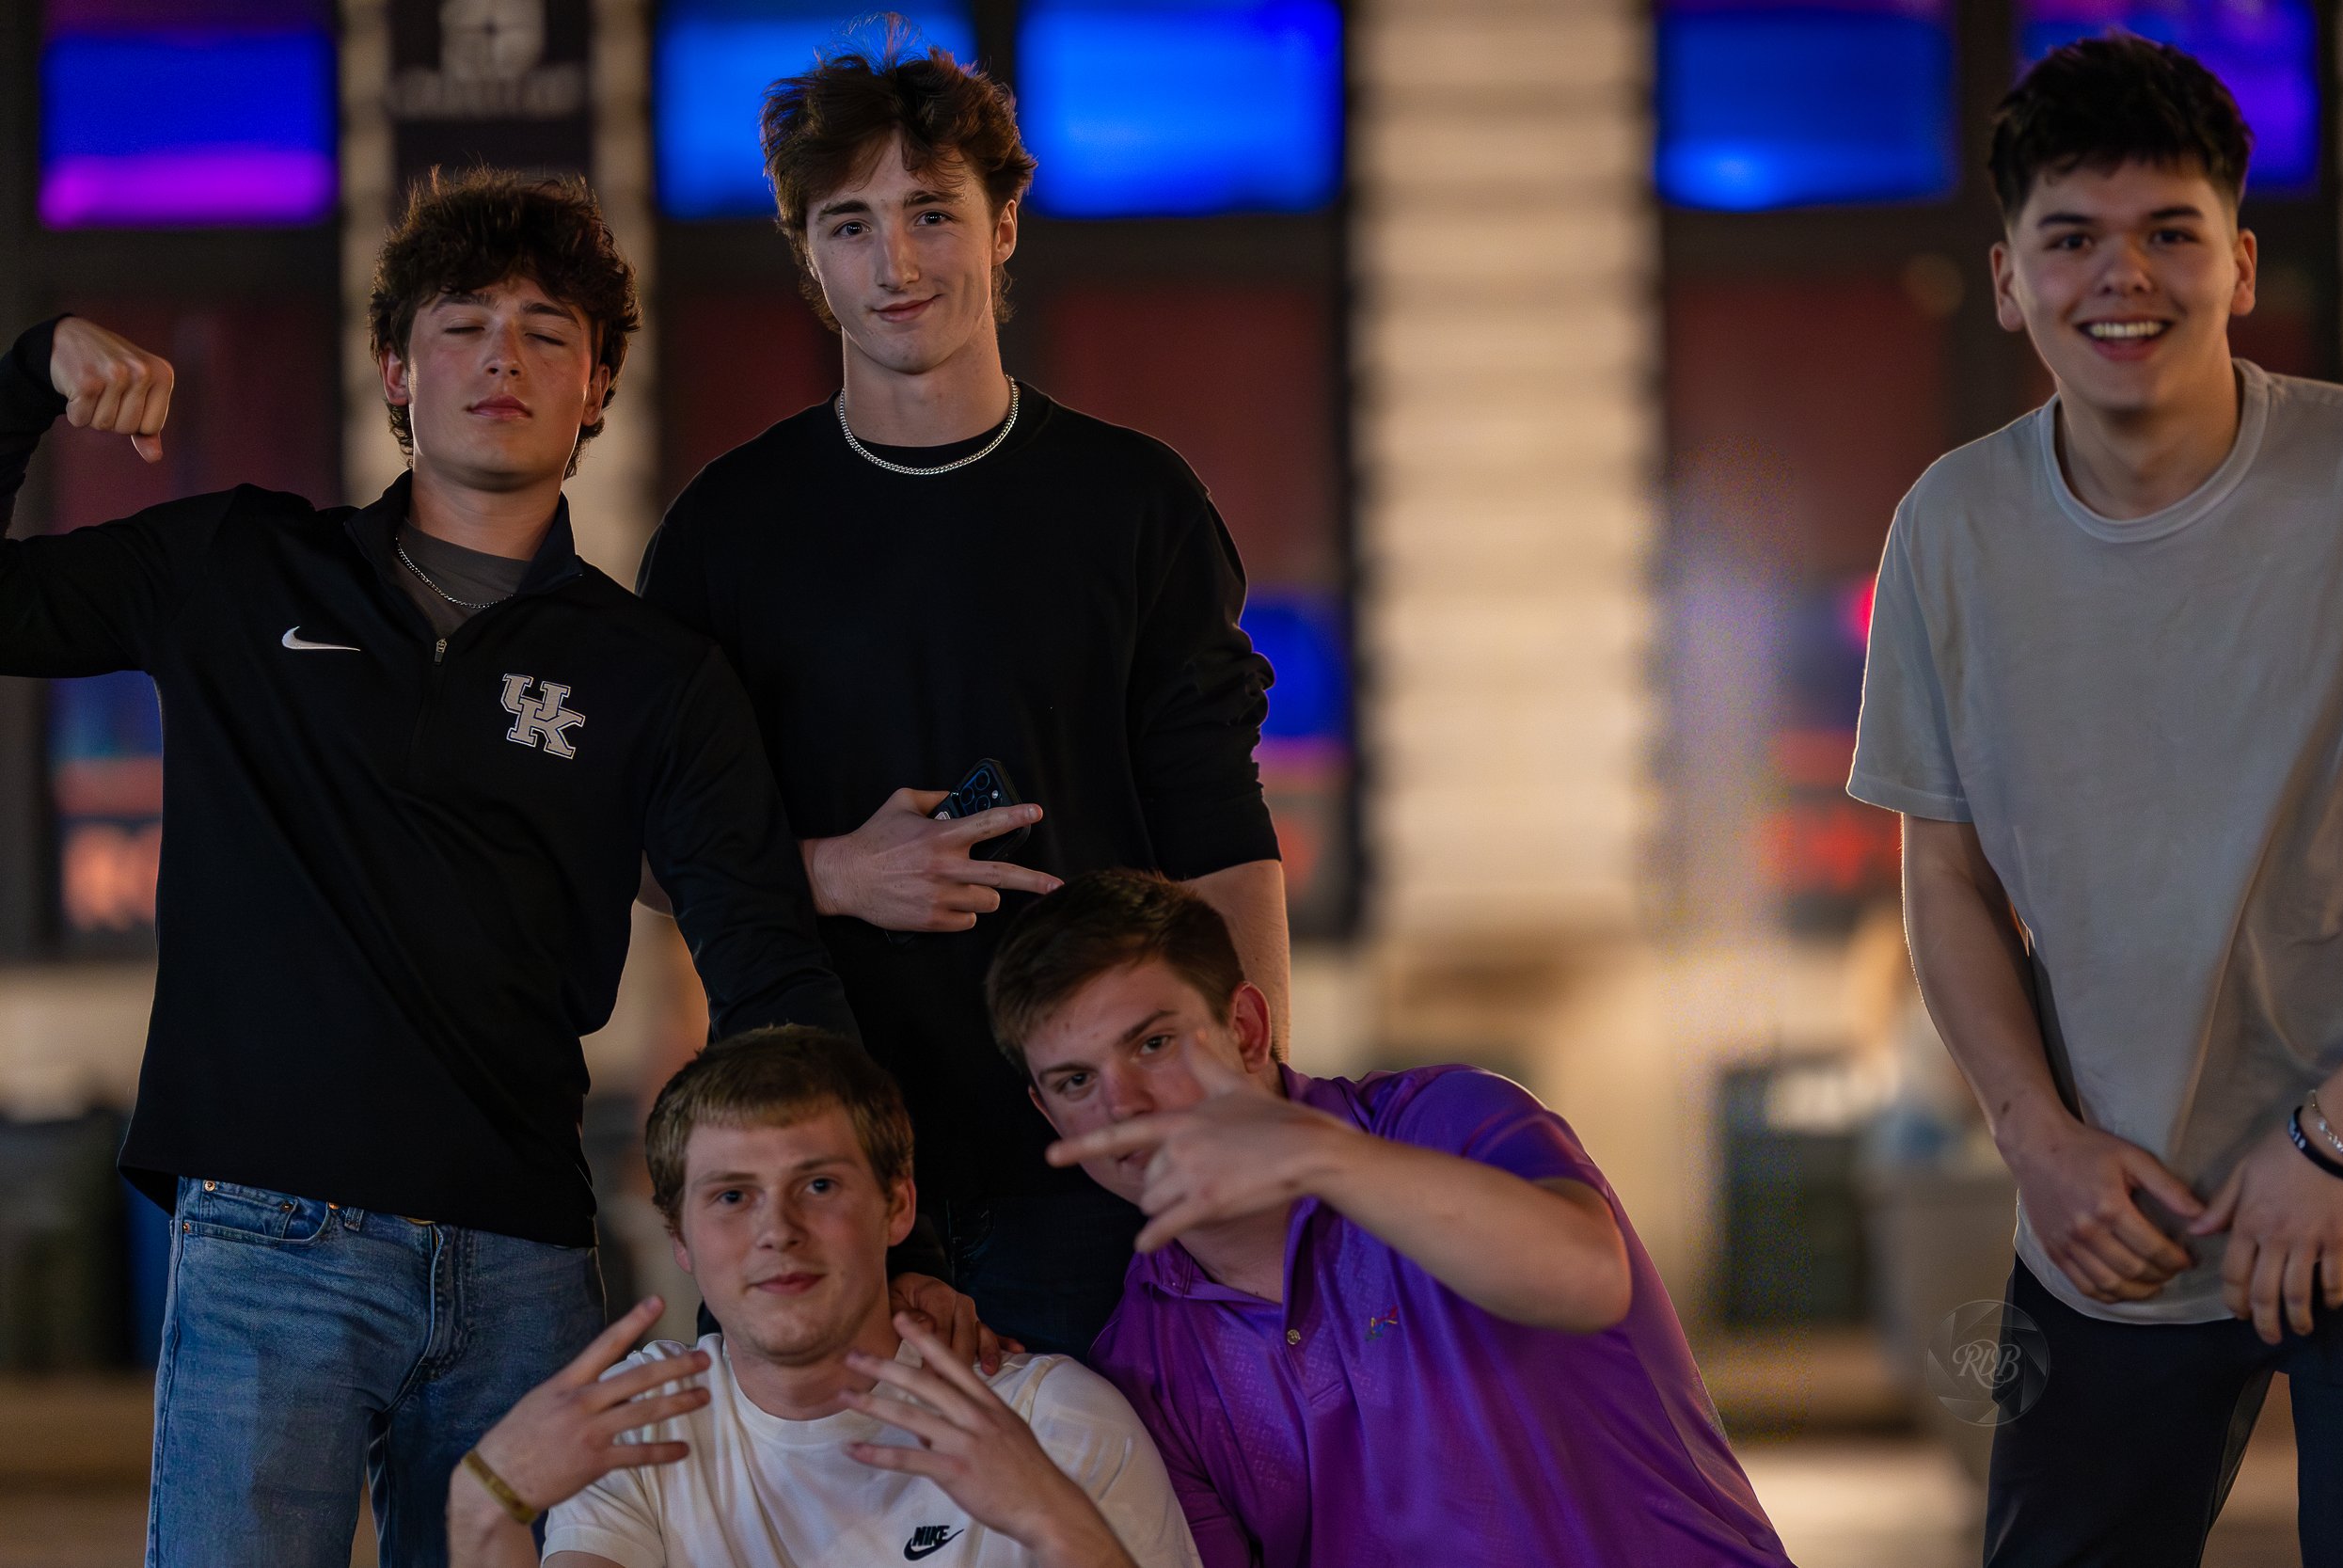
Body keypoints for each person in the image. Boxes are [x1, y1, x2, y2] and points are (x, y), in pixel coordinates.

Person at [0, 170, 863, 1568]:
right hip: (268, 1241)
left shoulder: (656, 678)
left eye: (546, 330)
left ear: (596, 389)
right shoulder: (240, 568)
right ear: (399, 370)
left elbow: (766, 958)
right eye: (463, 325)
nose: (502, 359)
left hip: (525, 1261)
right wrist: (30, 370)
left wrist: (839, 1234)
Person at [635, 31, 1290, 1356]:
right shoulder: (729, 530)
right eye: (851, 224)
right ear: (806, 254)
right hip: (827, 1166)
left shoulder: (1133, 503)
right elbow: (639, 842)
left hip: (1103, 1155)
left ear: (1001, 226)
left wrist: (1253, 1107)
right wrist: (825, 869)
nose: (897, 262)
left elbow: (1220, 828)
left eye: (932, 212)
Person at [1847, 34, 2343, 1567]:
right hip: (2113, 1219)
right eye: (2071, 237)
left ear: (2241, 263)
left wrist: (2335, 1141)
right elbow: (1945, 878)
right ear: (2009, 278)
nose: (2118, 276)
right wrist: (2037, 1138)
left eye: (2169, 232)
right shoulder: (1949, 527)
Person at [984, 870, 1794, 1568]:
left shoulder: (1446, 1117)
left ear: (1247, 1030)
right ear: (1046, 1113)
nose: (1124, 1104)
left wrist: (1318, 1157)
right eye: (1076, 1082)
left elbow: (1585, 1278)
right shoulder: (1139, 1359)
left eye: (1154, 1043)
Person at [449, 1027, 1201, 1568]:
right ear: (680, 1237)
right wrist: (483, 1503)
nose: (778, 1229)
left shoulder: (1054, 1417)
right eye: (733, 1195)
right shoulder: (641, 1417)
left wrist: (1058, 1524)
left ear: (897, 1207)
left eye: (819, 1184)